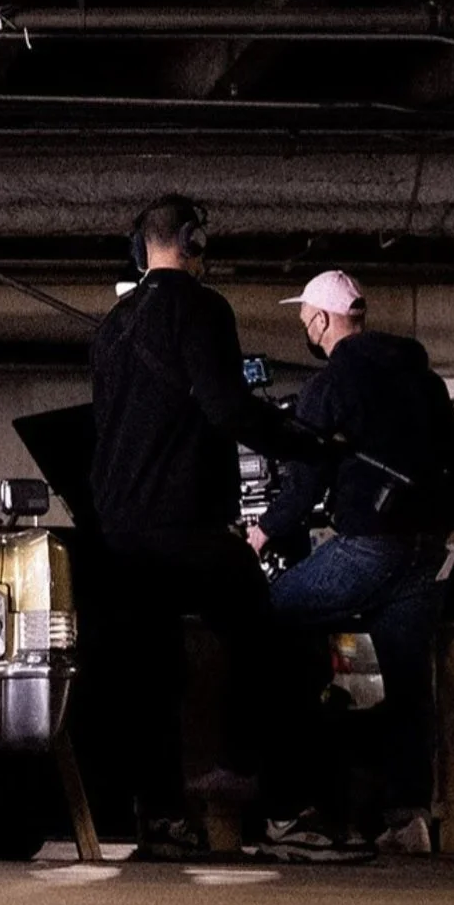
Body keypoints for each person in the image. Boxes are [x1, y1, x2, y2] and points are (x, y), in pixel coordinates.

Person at [90, 194, 318, 857]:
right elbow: (226, 408)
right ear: (192, 240)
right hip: (184, 526)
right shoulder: (203, 308)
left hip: (118, 531)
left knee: (147, 668)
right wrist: (304, 440)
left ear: (142, 247)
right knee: (268, 631)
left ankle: (158, 814)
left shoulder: (113, 324)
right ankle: (266, 791)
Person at [249, 269, 454, 859]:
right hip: (425, 555)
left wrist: (260, 534)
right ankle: (407, 819)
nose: (304, 326)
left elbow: (304, 484)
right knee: (406, 685)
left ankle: (297, 806)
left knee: (269, 622)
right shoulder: (422, 380)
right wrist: (436, 518)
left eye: (305, 318)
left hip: (367, 547)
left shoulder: (329, 385)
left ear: (324, 321)